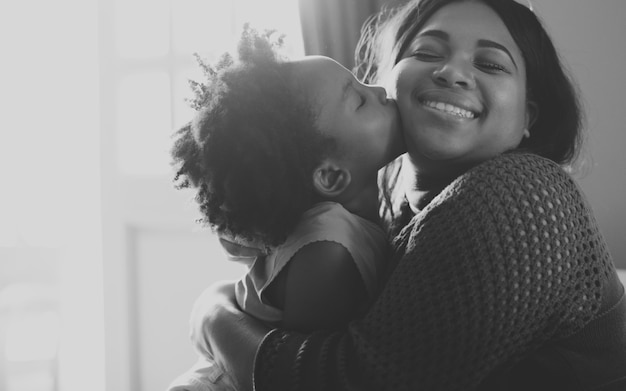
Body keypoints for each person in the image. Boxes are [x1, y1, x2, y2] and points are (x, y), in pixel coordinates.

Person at [187, 0, 626, 390]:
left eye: (491, 64)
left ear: (528, 115)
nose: (453, 72)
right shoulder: (385, 203)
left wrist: (213, 316)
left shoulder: (521, 194)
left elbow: (348, 381)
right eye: (427, 52)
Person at [167, 25, 404, 391]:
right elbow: (301, 376)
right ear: (330, 176)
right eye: (359, 100)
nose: (380, 90)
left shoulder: (349, 221)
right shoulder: (329, 249)